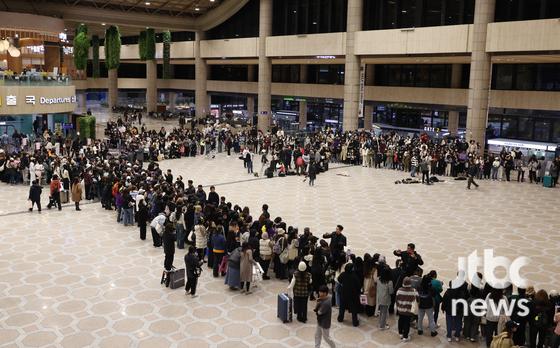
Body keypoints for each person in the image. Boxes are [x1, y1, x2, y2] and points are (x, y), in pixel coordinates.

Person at [396, 276, 419, 342]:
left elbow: (396, 300)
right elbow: (418, 299)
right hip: (409, 311)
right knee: (407, 323)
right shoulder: (414, 291)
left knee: (400, 321)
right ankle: (405, 337)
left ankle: (400, 333)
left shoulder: (399, 290)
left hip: (400, 310)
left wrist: (398, 307)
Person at [376, 265, 394, 330]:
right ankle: (382, 326)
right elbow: (391, 292)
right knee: (385, 313)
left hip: (379, 297)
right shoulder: (390, 282)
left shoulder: (378, 279)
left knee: (381, 311)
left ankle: (380, 322)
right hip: (386, 299)